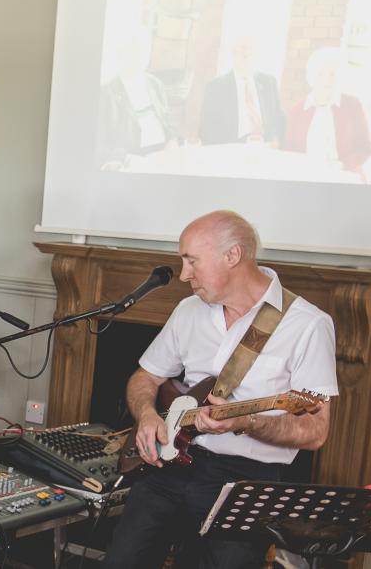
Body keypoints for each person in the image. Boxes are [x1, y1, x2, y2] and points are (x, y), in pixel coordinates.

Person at [102, 211, 338, 569]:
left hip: (245, 482)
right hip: (169, 467)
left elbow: (316, 431)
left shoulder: (307, 325)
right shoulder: (188, 311)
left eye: (191, 261)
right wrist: (148, 416)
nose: (183, 275)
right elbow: (144, 378)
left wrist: (247, 422)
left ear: (232, 256)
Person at [284, 47, 371, 179]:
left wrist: (343, 165)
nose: (327, 79)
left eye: (333, 74)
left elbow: (365, 147)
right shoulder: (297, 110)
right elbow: (289, 151)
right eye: (321, 73)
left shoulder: (353, 105)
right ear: (312, 76)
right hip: (305, 177)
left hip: (344, 176)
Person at [96, 27, 179, 168]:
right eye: (134, 50)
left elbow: (169, 126)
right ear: (121, 54)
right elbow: (100, 144)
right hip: (132, 160)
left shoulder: (156, 84)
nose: (140, 56)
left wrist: (172, 143)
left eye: (144, 50)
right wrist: (126, 159)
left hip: (161, 156)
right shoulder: (106, 93)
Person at [199, 36, 285, 146]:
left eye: (250, 50)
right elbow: (206, 129)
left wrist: (276, 141)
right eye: (242, 49)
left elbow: (279, 119)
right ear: (233, 53)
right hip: (232, 148)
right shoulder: (215, 87)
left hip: (266, 146)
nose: (246, 54)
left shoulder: (269, 83)